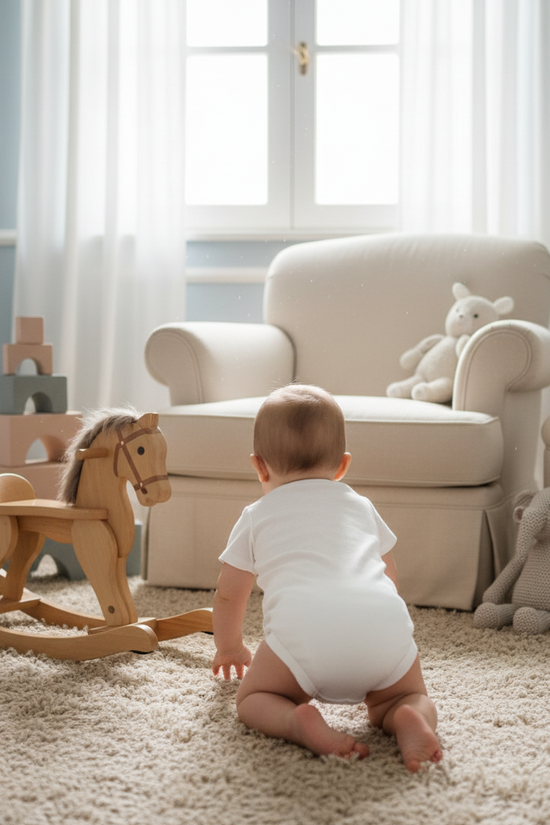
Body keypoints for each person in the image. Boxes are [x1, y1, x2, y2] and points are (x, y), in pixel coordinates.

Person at [212, 384, 442, 772]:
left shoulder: (256, 515)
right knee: (406, 696)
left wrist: (231, 648)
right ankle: (407, 716)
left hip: (303, 636)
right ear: (342, 466)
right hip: (383, 629)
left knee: (253, 699)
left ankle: (296, 721)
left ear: (259, 466)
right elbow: (389, 573)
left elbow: (229, 596)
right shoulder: (361, 506)